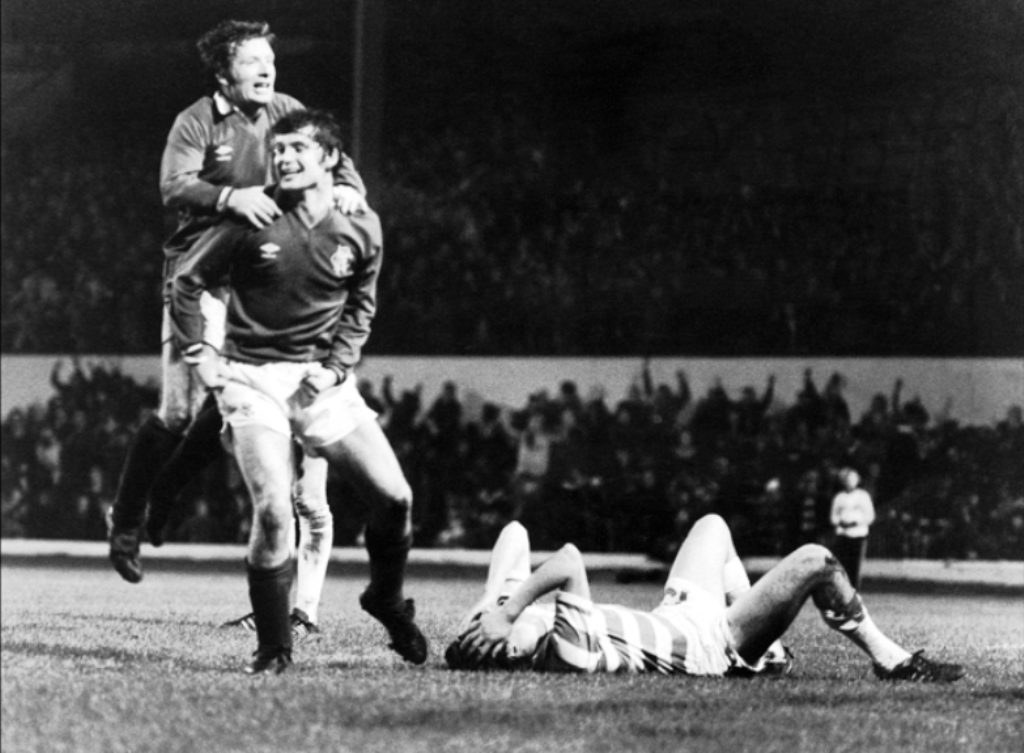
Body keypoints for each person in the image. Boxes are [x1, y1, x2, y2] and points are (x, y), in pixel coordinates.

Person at [107, 19, 367, 639]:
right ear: (224, 73)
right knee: (179, 411)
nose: (267, 68)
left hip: (259, 277)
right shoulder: (196, 121)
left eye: (269, 58)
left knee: (235, 401)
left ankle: (166, 497)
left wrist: (351, 191)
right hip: (199, 275)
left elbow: (337, 161)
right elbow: (173, 185)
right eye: (252, 60)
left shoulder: (286, 111)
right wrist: (229, 199)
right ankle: (128, 517)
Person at [169, 108, 427, 674]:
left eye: (297, 149)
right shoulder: (251, 216)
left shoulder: (361, 225)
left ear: (330, 159)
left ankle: (385, 599)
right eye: (278, 150)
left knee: (396, 500)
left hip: (318, 382)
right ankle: (274, 649)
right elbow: (186, 280)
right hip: (251, 378)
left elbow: (361, 308)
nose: (284, 158)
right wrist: (200, 354)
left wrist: (335, 369)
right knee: (273, 508)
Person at [447, 515, 964, 683]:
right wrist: (508, 613)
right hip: (709, 645)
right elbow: (568, 560)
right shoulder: (565, 652)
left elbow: (515, 533)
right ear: (515, 655)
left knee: (712, 526)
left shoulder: (508, 622)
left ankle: (770, 653)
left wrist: (493, 603)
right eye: (507, 646)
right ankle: (892, 660)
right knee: (816, 560)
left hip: (676, 614)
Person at [829, 467, 875, 589]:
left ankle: (854, 590)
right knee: (842, 564)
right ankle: (842, 590)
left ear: (857, 480)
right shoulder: (839, 497)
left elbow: (870, 516)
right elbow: (833, 516)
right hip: (843, 534)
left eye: (853, 479)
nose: (850, 482)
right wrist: (840, 522)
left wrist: (856, 523)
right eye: (847, 479)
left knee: (855, 566)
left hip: (858, 534)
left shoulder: (863, 496)